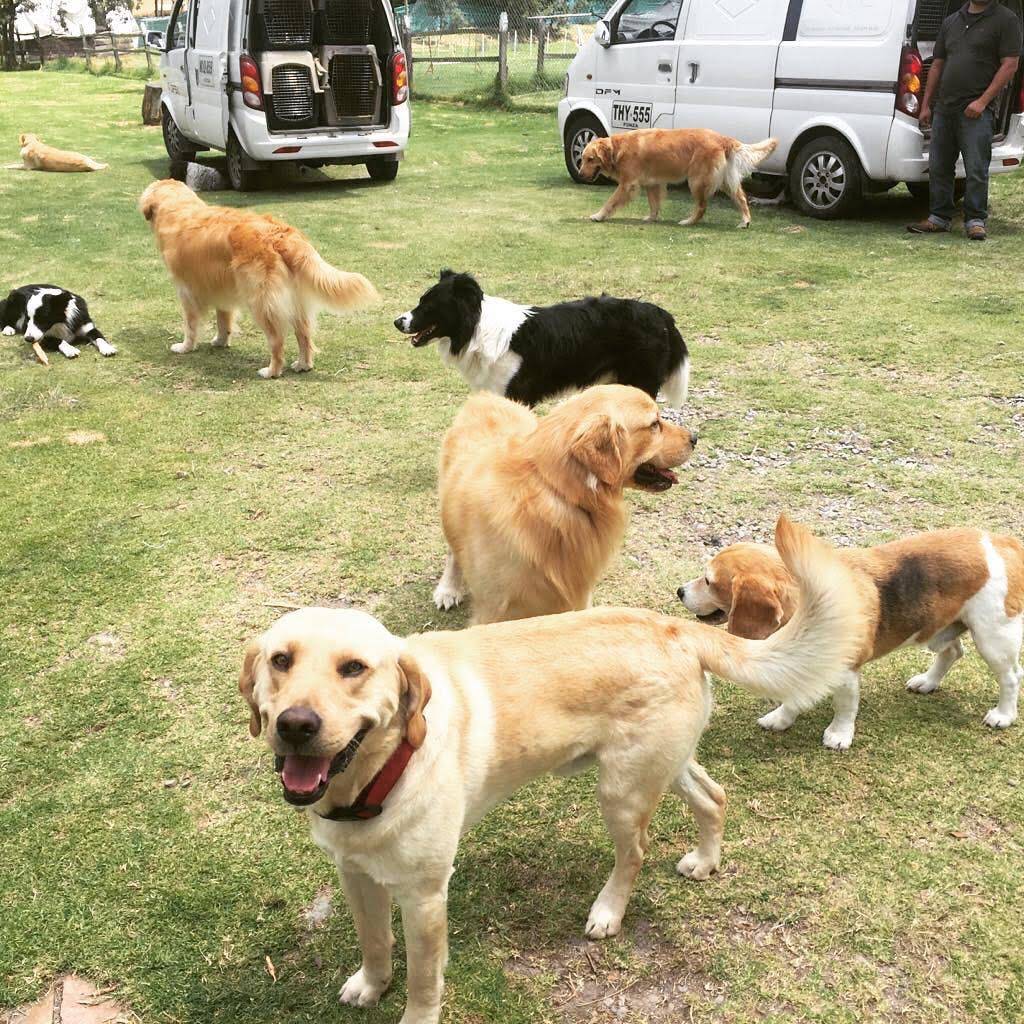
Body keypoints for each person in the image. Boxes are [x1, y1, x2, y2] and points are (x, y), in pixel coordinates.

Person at [907, 0, 1021, 241]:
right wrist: (926, 104)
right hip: (944, 108)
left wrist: (982, 102)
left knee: (976, 168)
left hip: (977, 111)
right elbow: (937, 65)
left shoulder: (1006, 20)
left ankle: (975, 220)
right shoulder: (951, 21)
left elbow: (1010, 65)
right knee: (939, 166)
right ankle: (939, 218)